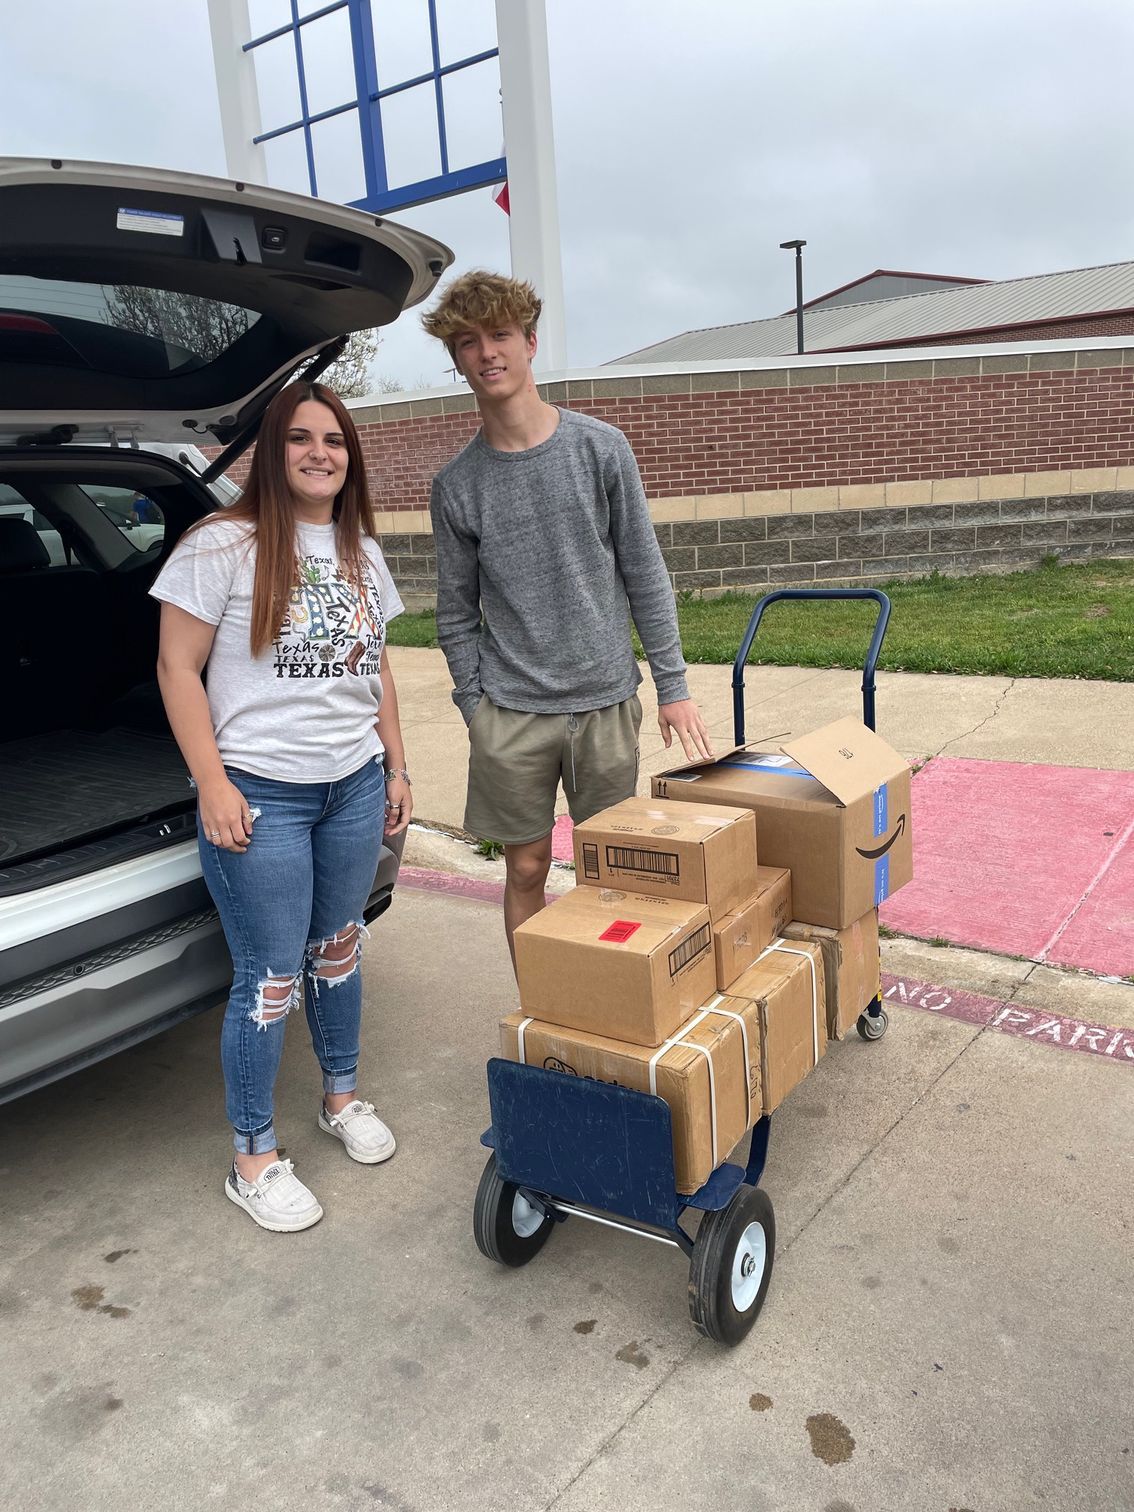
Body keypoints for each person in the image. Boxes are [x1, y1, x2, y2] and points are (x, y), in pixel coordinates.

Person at [152, 381, 412, 1233]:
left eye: (334, 441)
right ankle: (253, 1156)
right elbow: (176, 669)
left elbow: (377, 670)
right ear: (274, 449)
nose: (319, 454)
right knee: (268, 978)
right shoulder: (220, 544)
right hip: (261, 793)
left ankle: (341, 1098)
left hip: (353, 785)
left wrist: (397, 768)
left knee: (337, 948)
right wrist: (212, 781)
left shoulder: (360, 549)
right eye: (300, 439)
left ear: (350, 456)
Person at [422, 270, 713, 967]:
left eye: (499, 335)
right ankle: (543, 1008)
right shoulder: (457, 486)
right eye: (468, 342)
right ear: (458, 359)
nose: (486, 352)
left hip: (606, 703)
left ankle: (606, 1005)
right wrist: (476, 708)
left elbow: (645, 572)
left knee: (610, 875)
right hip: (513, 715)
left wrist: (671, 686)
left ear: (529, 341)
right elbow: (455, 612)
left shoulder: (599, 449)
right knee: (523, 870)